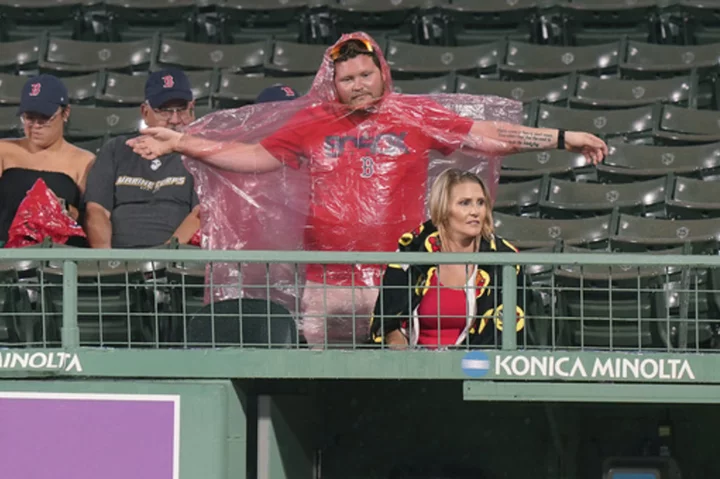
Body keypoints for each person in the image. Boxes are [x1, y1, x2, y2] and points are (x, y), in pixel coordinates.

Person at [126, 32, 607, 345]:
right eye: (346, 77)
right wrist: (183, 142)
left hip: (396, 279)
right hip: (322, 280)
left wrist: (564, 139)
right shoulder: (311, 121)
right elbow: (253, 158)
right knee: (314, 382)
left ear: (382, 73)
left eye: (365, 74)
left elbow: (492, 137)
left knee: (391, 381)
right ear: (332, 82)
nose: (357, 84)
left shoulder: (415, 115)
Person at [370, 168, 523, 349]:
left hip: (476, 365)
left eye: (480, 203)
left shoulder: (504, 259)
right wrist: (400, 349)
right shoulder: (411, 252)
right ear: (443, 209)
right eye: (464, 203)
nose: (475, 211)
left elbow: (510, 328)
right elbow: (386, 320)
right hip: (416, 366)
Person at [84, 68, 200, 248]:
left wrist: (162, 261)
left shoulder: (199, 153)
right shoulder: (116, 149)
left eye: (182, 109)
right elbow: (96, 210)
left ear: (192, 108)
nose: (175, 119)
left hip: (176, 262)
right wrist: (107, 263)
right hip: (119, 262)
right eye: (165, 111)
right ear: (145, 112)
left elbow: (199, 214)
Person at [0, 74, 95, 247]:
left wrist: (70, 211)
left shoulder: (84, 161)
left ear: (65, 113)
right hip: (7, 253)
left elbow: (91, 218)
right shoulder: (3, 151)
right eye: (29, 118)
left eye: (44, 118)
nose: (35, 126)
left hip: (60, 254)